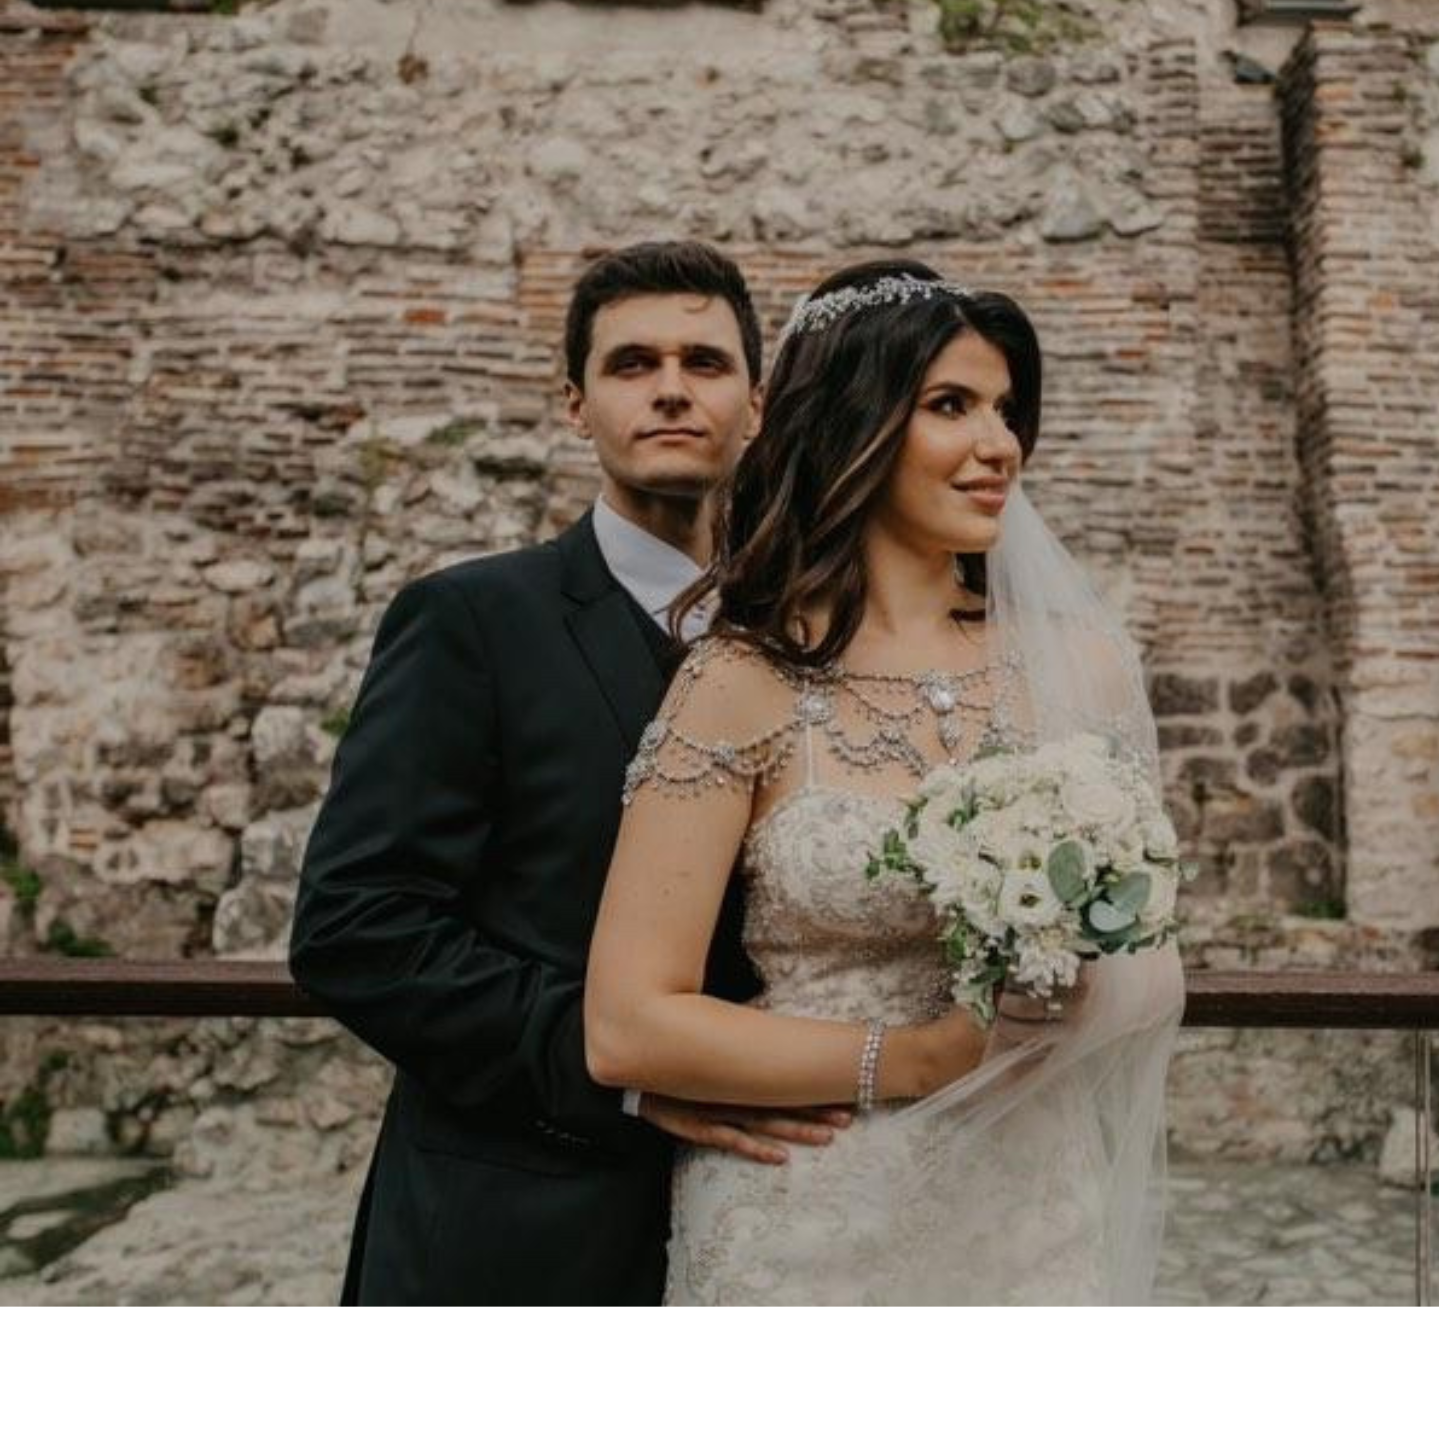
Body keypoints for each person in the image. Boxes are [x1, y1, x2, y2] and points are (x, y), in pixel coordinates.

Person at [584, 260, 1186, 1305]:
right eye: (950, 406)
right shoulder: (739, 682)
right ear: (851, 424)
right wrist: (907, 1059)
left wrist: (1060, 986)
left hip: (1030, 1215)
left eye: (1004, 409)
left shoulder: (1077, 664)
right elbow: (628, 1023)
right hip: (810, 1215)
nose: (998, 444)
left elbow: (1160, 966)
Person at [289, 240, 857, 1305]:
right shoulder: (468, 621)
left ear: (758, 403)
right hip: (514, 1232)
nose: (672, 389)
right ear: (574, 405)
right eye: (632, 364)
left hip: (781, 1228)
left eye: (704, 362)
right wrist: (620, 1070)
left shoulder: (813, 639)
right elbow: (354, 926)